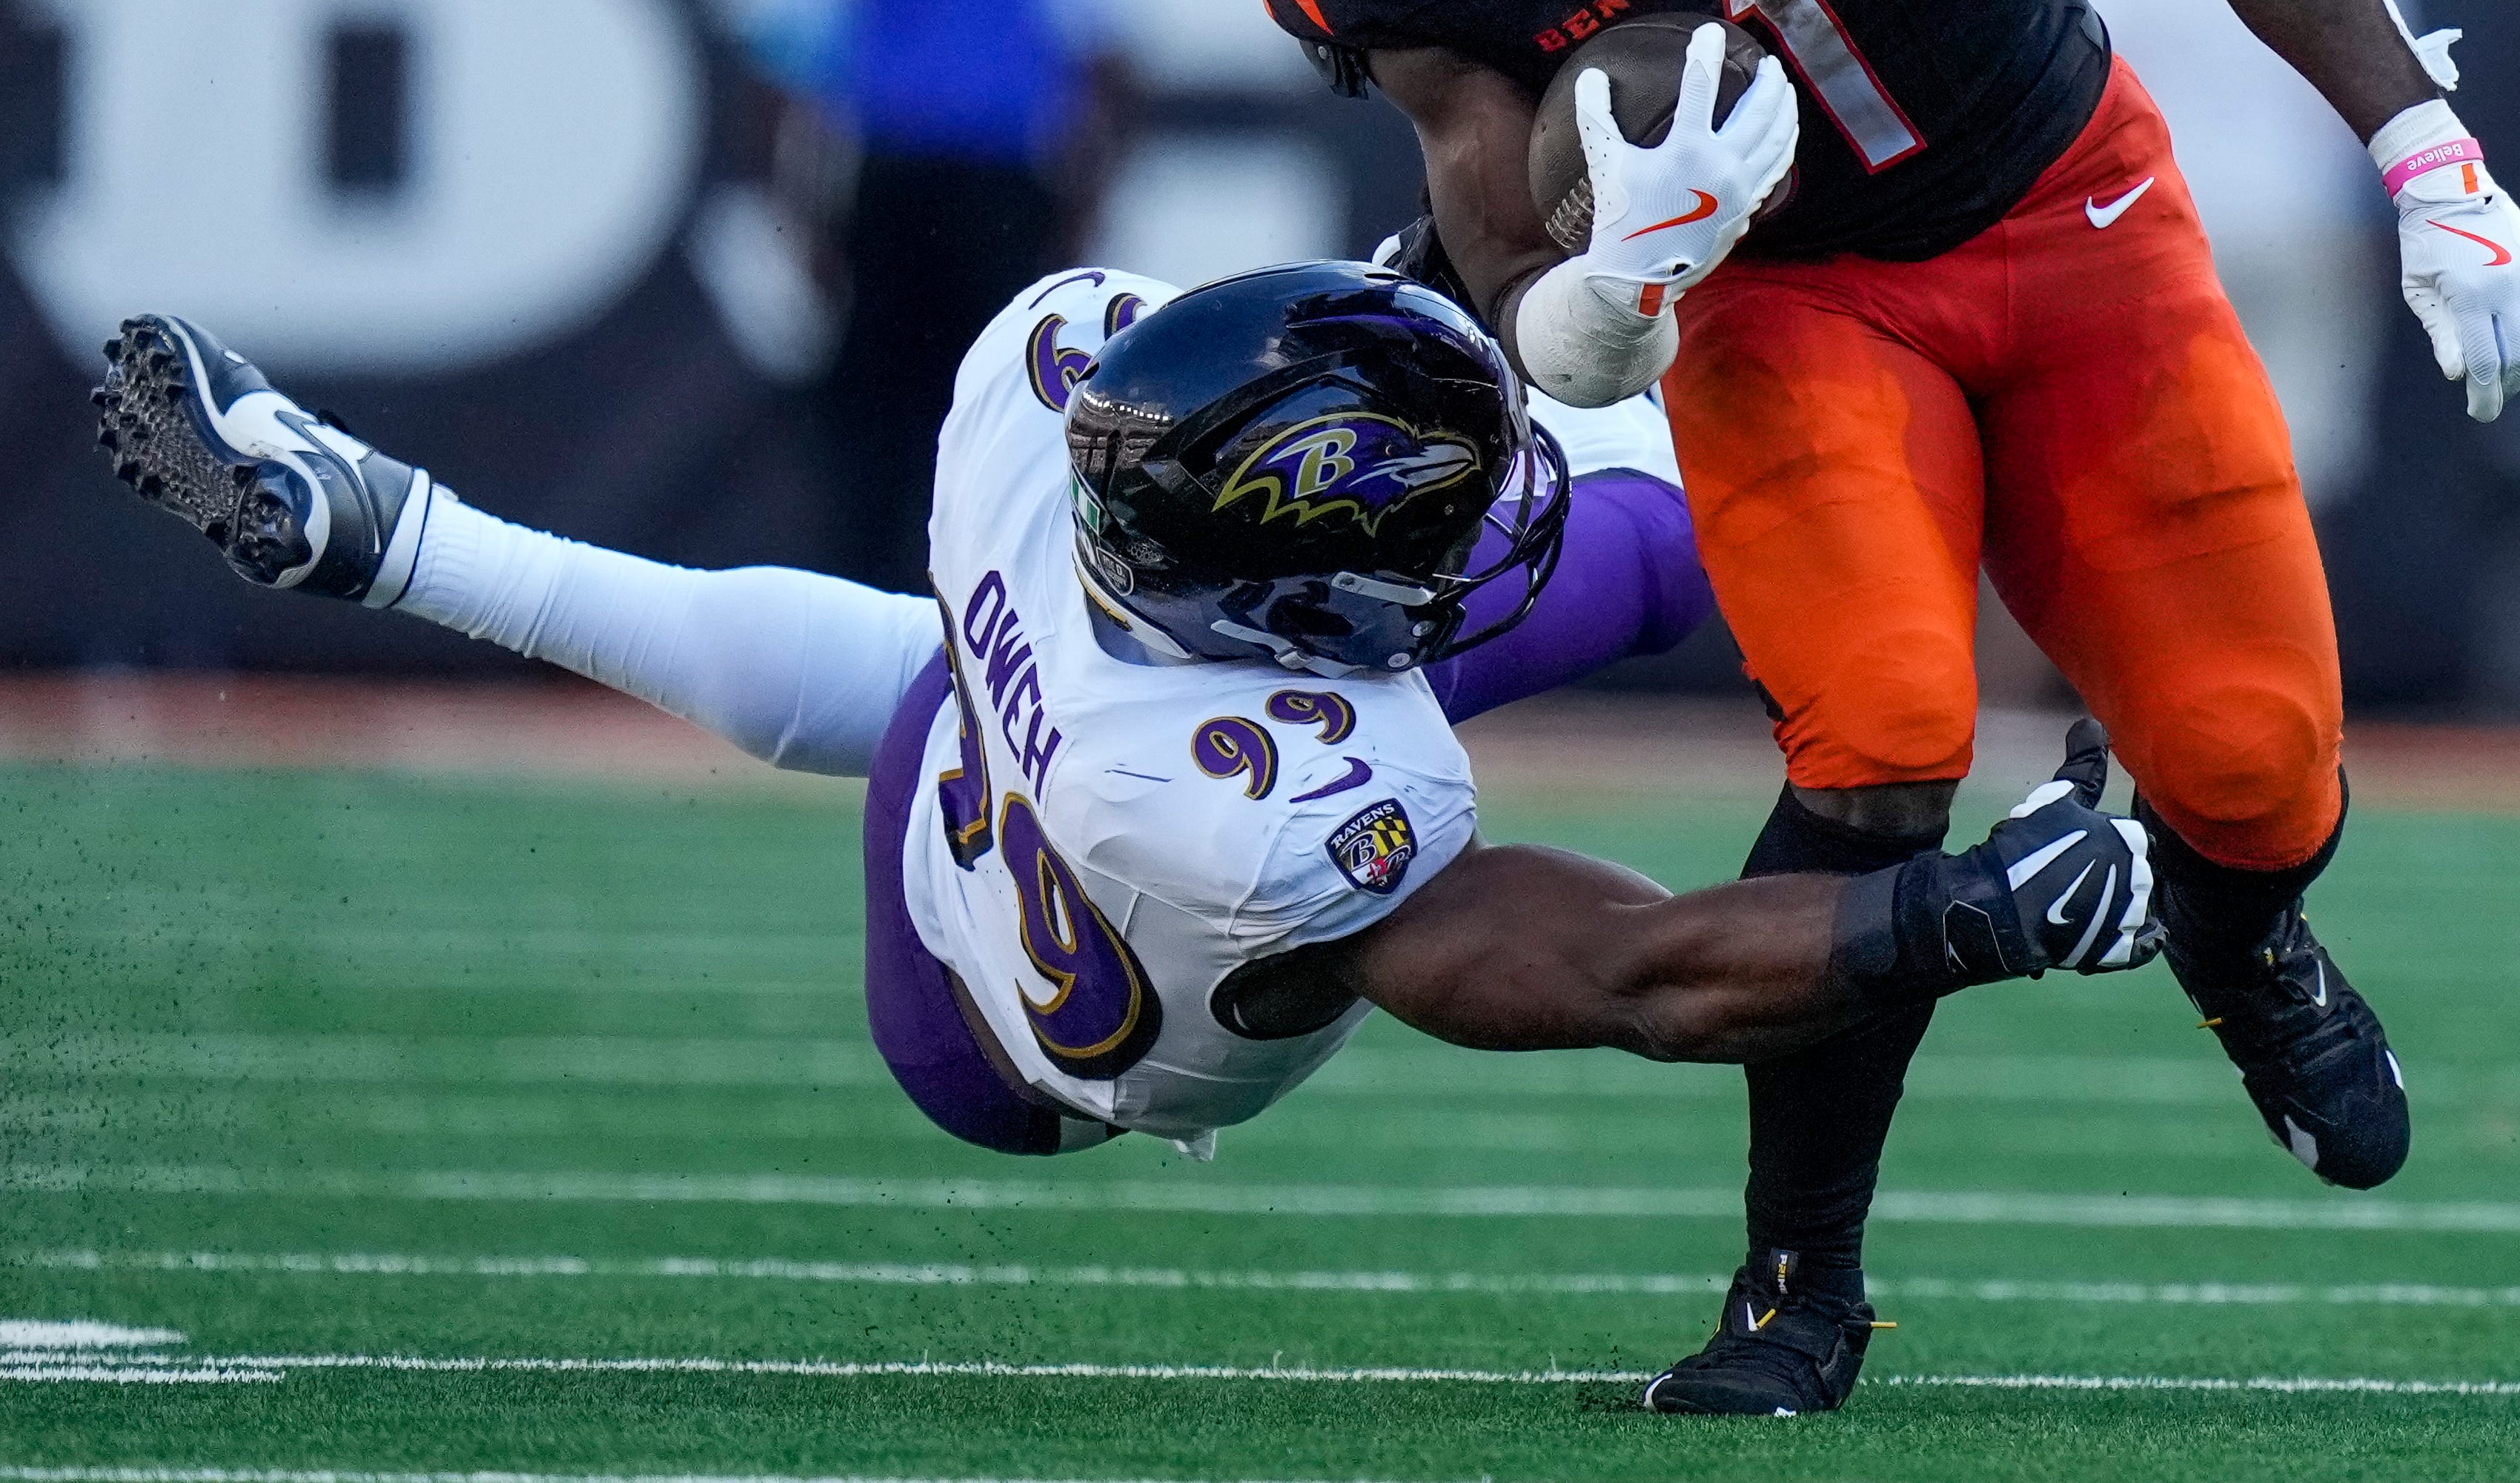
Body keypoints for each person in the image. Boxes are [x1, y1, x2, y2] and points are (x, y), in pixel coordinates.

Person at [1191, 0, 2520, 1412]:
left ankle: (2238, 938)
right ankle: (1795, 1287)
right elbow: (1499, 264)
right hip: (1787, 300)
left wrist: (2425, 150)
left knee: (2250, 762)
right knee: (1877, 743)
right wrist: (1618, 291)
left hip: (2060, 205)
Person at [88, 271, 2157, 1170]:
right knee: (1627, 549)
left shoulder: (1056, 389)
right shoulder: (1262, 810)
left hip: (1017, 729)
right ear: (1292, 625)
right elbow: (1625, 972)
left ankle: (401, 540)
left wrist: (1600, 290)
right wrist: (1975, 911)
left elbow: (1318, 345)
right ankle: (1937, 509)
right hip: (1009, 1043)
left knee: (927, 670)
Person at [700, 0, 1139, 596]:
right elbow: (1103, 43)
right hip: (1007, 183)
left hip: (885, 179)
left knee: (872, 421)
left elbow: (778, 47)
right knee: (1017, 405)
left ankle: (868, 611)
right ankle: (1006, 614)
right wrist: (1090, 204)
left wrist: (795, 213)